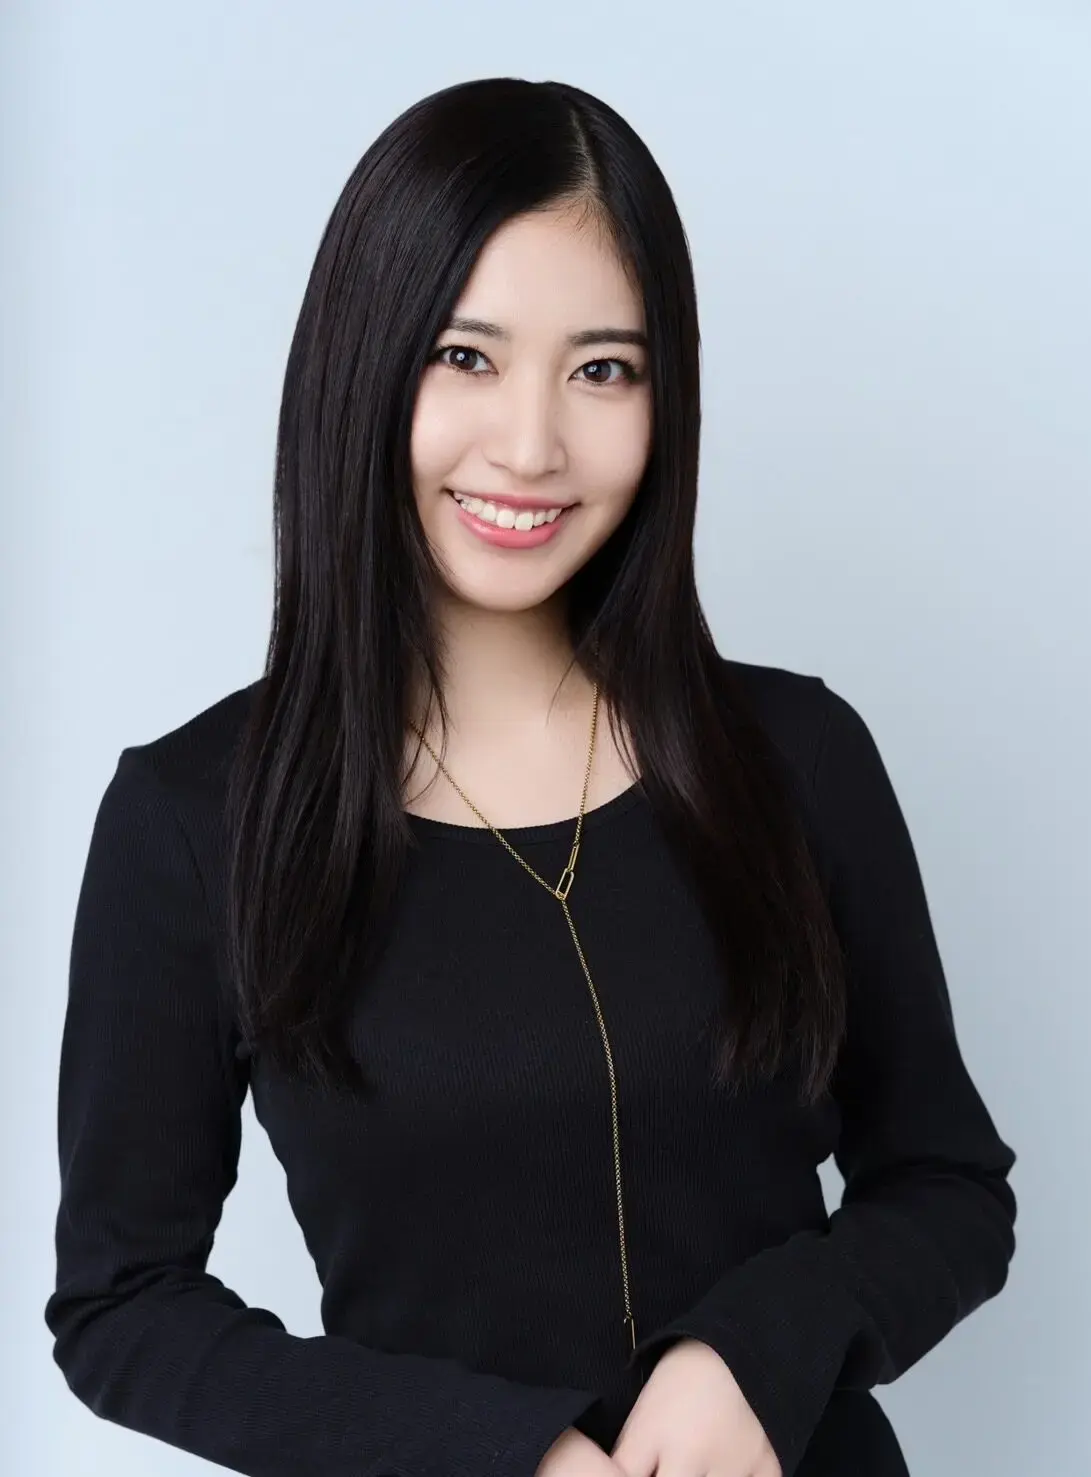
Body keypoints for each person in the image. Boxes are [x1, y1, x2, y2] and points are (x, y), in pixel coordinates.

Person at [43, 76, 1017, 1477]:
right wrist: (505, 1451)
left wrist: (755, 1354)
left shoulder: (799, 758)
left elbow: (948, 1186)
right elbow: (122, 1306)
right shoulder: (195, 823)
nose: (531, 447)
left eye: (603, 369)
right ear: (364, 364)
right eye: (467, 356)